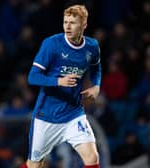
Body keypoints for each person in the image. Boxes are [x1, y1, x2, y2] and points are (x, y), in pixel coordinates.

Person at [24, 4, 102, 168]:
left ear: (84, 25)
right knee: (34, 165)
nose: (67, 26)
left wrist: (96, 86)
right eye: (65, 22)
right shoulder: (52, 44)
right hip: (47, 115)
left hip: (74, 113)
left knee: (92, 157)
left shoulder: (92, 46)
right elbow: (32, 77)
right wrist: (58, 81)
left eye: (72, 22)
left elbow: (96, 67)